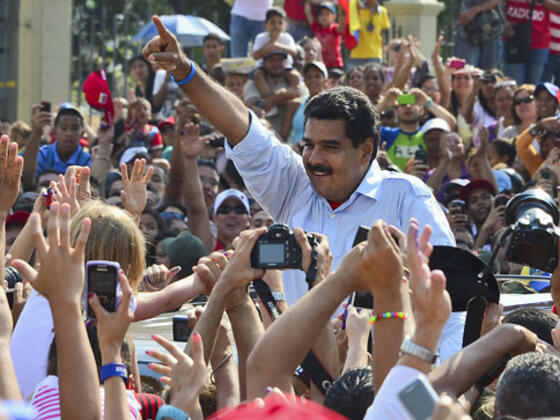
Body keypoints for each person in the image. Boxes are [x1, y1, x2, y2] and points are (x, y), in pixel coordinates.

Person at [139, 16, 455, 305]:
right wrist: (184, 70)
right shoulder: (295, 187)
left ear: (364, 150)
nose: (314, 158)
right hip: (295, 352)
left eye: (329, 147)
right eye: (308, 145)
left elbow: (447, 296)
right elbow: (240, 125)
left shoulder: (406, 198)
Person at [23, 105, 91, 189]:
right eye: (63, 128)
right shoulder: (42, 154)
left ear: (82, 134)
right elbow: (27, 182)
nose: (69, 133)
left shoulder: (87, 160)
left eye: (75, 128)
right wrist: (36, 134)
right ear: (54, 132)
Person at [252, 8, 300, 106]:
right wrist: (271, 42)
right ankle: (269, 98)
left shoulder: (287, 38)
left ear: (285, 25)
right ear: (266, 25)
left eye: (280, 23)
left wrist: (278, 45)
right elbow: (255, 56)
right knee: (258, 75)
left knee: (295, 76)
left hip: (285, 67)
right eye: (272, 23)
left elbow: (294, 52)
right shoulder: (261, 37)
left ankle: (290, 98)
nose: (276, 26)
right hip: (264, 68)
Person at [453, 0, 502, 70]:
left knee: (489, 72)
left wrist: (474, 11)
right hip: (465, 29)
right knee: (461, 69)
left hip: (490, 30)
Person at [347, 0, 390, 69]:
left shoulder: (383, 11)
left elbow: (383, 36)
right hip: (356, 55)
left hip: (375, 55)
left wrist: (383, 56)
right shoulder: (356, 8)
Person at [305, 1, 344, 69]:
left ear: (334, 17)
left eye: (327, 14)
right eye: (322, 14)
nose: (324, 17)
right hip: (321, 65)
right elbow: (308, 13)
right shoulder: (316, 27)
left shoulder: (335, 29)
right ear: (318, 17)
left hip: (335, 65)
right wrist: (308, 2)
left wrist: (341, 10)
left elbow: (341, 26)